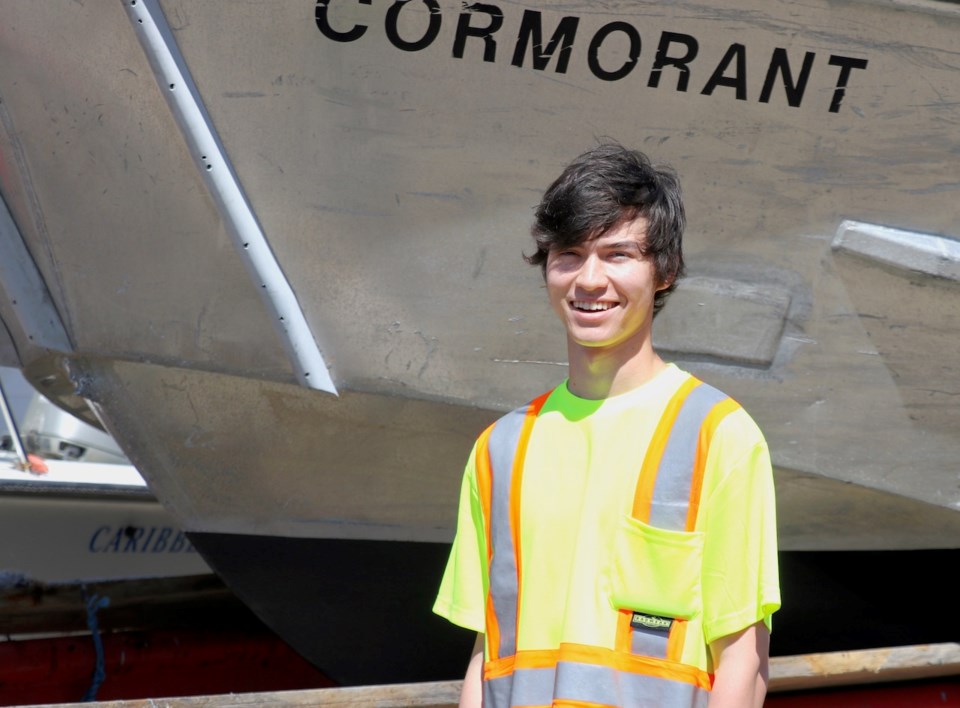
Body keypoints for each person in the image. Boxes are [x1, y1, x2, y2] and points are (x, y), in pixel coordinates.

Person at [433, 142, 781, 708]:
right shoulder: (500, 449)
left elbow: (743, 660)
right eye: (569, 254)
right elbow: (487, 654)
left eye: (618, 255)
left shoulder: (718, 435)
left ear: (663, 271)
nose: (589, 280)